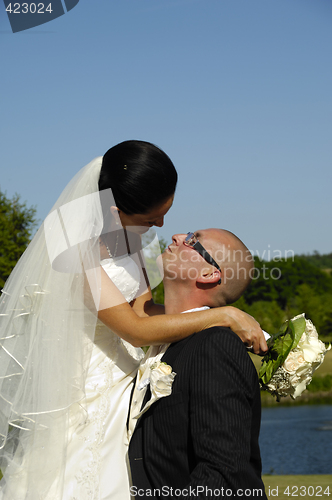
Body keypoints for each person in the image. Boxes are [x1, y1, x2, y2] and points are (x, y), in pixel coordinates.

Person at [0, 141, 267, 500]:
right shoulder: (73, 253)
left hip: (129, 378)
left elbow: (145, 310)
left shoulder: (132, 239)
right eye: (151, 218)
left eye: (165, 210)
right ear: (114, 211)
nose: (161, 224)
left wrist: (210, 319)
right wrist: (224, 314)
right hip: (89, 384)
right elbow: (135, 330)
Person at [128, 229, 267, 499]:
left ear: (208, 274)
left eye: (193, 240)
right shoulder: (165, 342)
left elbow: (223, 475)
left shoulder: (215, 346)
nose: (178, 235)